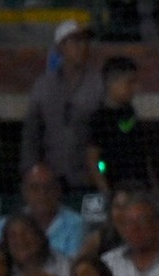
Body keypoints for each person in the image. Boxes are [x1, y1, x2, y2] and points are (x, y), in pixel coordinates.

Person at [21, 21, 104, 190]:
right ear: (61, 47)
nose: (83, 47)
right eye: (75, 41)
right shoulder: (43, 86)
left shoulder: (98, 84)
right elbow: (32, 133)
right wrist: (31, 171)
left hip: (87, 176)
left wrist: (101, 171)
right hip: (51, 177)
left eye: (85, 41)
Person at [82, 55, 159, 195]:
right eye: (130, 82)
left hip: (140, 186)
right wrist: (106, 192)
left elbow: (142, 152)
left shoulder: (130, 112)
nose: (135, 88)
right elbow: (94, 161)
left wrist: (154, 186)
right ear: (112, 83)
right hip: (117, 188)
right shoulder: (100, 118)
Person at [0, 163, 85, 260]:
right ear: (24, 192)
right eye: (35, 188)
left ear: (58, 191)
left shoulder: (75, 224)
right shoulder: (4, 224)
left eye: (48, 187)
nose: (42, 194)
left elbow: (73, 267)